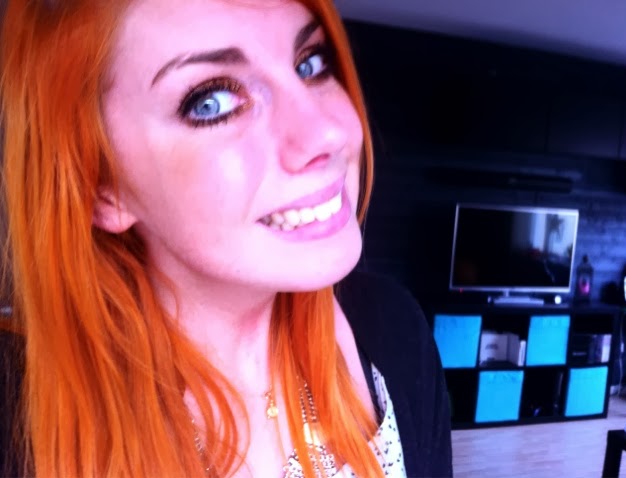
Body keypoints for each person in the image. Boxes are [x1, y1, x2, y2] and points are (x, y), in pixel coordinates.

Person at [0, 0, 453, 476]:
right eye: (211, 102)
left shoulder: (394, 329)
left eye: (310, 64)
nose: (326, 134)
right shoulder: (14, 413)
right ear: (102, 187)